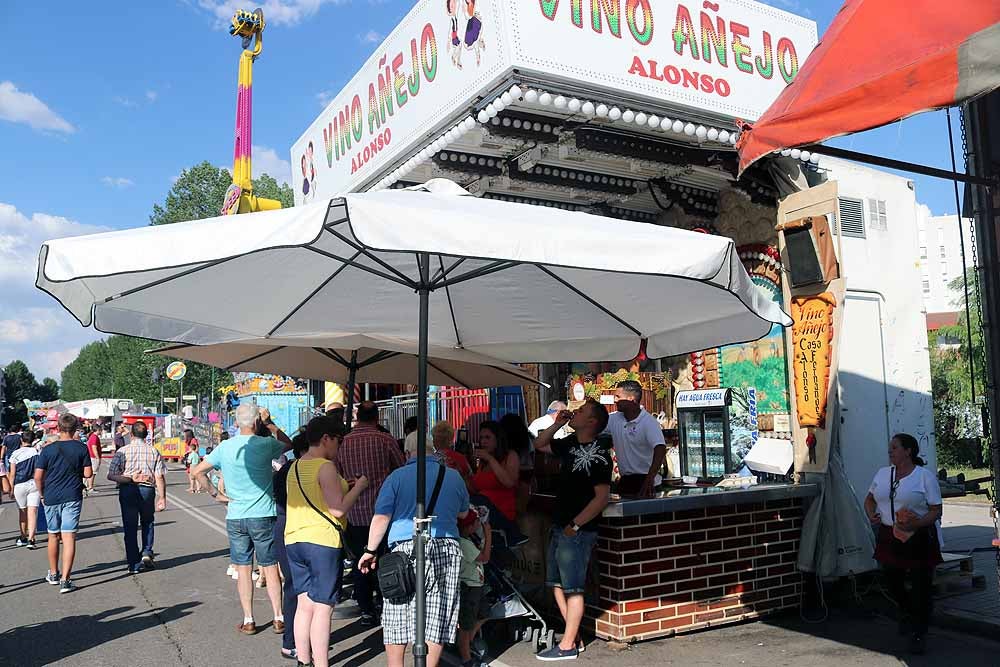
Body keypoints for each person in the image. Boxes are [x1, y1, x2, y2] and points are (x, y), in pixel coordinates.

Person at [358, 435, 470, 667]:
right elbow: (462, 513)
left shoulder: (396, 477)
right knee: (437, 615)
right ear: (433, 450)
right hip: (446, 549)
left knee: (397, 612)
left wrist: (370, 550)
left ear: (407, 453)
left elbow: (381, 518)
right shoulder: (453, 476)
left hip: (403, 551)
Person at [192, 404, 291, 635]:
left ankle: (249, 619)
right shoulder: (266, 444)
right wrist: (270, 423)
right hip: (264, 514)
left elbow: (197, 471)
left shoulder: (225, 447)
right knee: (269, 566)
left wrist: (217, 495)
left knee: (244, 568)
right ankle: (278, 616)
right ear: (256, 422)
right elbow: (289, 443)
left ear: (236, 423)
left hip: (236, 514)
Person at [286, 416, 369, 667]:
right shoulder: (326, 467)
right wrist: (359, 487)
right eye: (338, 440)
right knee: (323, 606)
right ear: (326, 439)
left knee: (304, 603)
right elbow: (337, 510)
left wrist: (345, 485)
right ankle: (322, 663)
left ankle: (303, 660)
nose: (339, 446)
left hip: (294, 539)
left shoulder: (296, 466)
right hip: (321, 541)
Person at [533, 399, 612, 661]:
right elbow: (540, 444)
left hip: (577, 529)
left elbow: (601, 497)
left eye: (580, 412)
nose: (574, 413)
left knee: (573, 587)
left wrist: (576, 524)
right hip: (560, 523)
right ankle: (573, 636)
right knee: (555, 583)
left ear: (592, 422)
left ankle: (567, 646)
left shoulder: (600, 452)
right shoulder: (569, 443)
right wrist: (558, 424)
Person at [864, 433, 943, 655]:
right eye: (890, 448)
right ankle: (907, 612)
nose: (890, 451)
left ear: (908, 451)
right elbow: (869, 498)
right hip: (890, 534)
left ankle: (919, 632)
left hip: (917, 536)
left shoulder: (923, 477)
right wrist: (872, 514)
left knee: (920, 586)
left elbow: (936, 510)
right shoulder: (883, 474)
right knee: (891, 579)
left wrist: (917, 523)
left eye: (895, 448)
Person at [335, 400, 406, 626]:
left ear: (357, 418)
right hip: (384, 512)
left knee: (359, 562)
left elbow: (337, 472)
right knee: (384, 561)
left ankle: (366, 609)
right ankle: (387, 604)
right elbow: (401, 467)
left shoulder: (344, 443)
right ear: (377, 418)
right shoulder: (385, 440)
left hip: (354, 512)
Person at [34, 413, 93, 594]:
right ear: (75, 429)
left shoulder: (47, 449)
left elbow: (38, 477)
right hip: (72, 496)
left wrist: (42, 494)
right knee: (69, 537)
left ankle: (53, 574)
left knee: (53, 536)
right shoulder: (81, 448)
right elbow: (88, 474)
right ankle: (65, 580)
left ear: (58, 428)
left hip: (51, 497)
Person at [106, 421, 167, 573]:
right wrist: (162, 497)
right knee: (148, 521)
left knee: (130, 526)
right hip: (147, 490)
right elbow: (159, 476)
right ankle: (146, 551)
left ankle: (133, 564)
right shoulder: (154, 451)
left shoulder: (122, 451)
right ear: (146, 435)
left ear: (131, 434)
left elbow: (111, 475)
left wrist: (129, 477)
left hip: (128, 490)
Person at [274, 433, 310, 661]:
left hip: (283, 526)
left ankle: (291, 641)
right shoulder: (311, 471)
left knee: (293, 586)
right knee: (306, 589)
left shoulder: (282, 472)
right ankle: (300, 640)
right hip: (302, 529)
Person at [605, 380, 665, 497]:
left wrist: (649, 478)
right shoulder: (613, 419)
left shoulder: (648, 422)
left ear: (631, 399)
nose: (615, 400)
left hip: (647, 481)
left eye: (618, 396)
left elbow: (660, 448)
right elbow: (595, 428)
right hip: (626, 481)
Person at [469, 420, 524, 546]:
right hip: (482, 513)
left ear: (498, 439)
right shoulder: (483, 462)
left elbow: (509, 482)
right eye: (481, 438)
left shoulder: (510, 456)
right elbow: (475, 489)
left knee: (480, 501)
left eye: (488, 437)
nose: (483, 441)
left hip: (502, 512)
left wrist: (490, 459)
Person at [456, 507, 492, 667]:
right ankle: (466, 657)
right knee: (466, 624)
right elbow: (484, 558)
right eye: (476, 521)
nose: (479, 523)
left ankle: (467, 641)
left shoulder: (468, 539)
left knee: (484, 613)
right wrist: (488, 532)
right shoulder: (463, 543)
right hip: (469, 587)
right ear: (469, 526)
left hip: (476, 584)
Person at [9, 430, 41, 548]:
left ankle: (23, 536)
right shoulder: (36, 452)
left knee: (22, 511)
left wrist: (11, 488)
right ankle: (31, 539)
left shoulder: (15, 454)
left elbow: (12, 474)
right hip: (34, 484)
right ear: (33, 440)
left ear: (21, 440)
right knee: (33, 512)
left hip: (19, 485)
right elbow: (39, 469)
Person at [1, 424, 23, 500]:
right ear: (17, 430)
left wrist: (1, 458)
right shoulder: (19, 437)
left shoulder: (6, 438)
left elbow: (4, 448)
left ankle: (9, 486)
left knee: (8, 472)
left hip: (8, 456)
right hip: (18, 455)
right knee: (17, 471)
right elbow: (21, 446)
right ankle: (15, 484)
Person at [84, 425, 103, 495]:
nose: (101, 431)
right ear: (98, 430)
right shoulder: (95, 437)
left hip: (91, 456)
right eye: (100, 430)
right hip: (94, 457)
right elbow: (94, 448)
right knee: (93, 473)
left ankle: (87, 486)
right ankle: (90, 487)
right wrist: (98, 457)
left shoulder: (92, 436)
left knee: (90, 473)